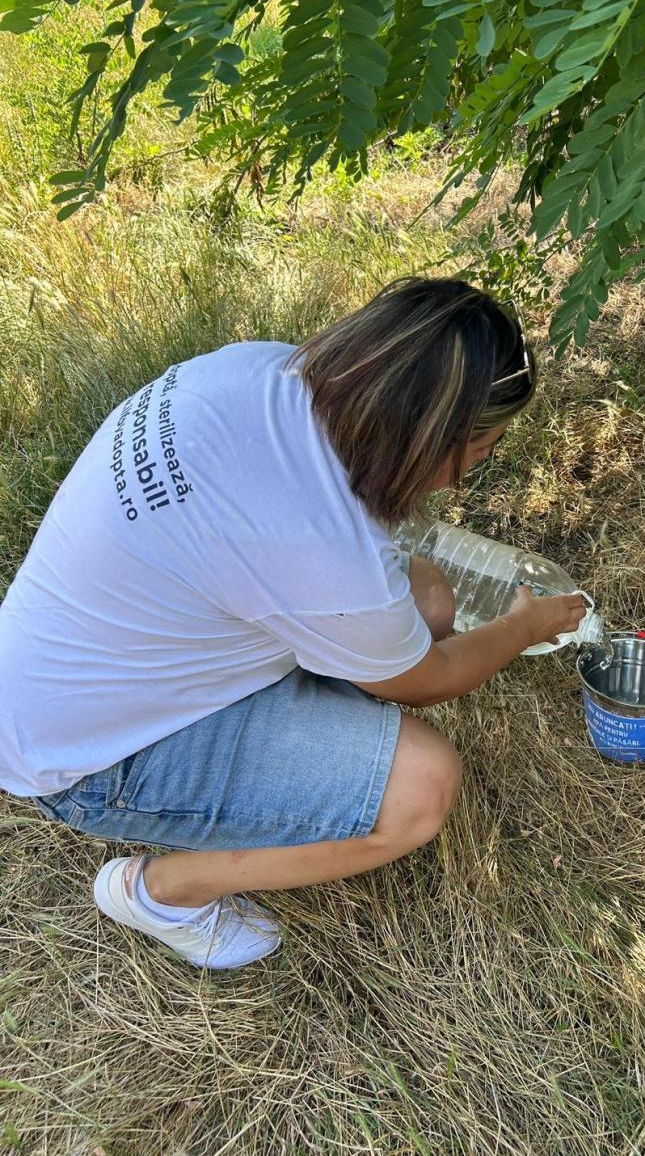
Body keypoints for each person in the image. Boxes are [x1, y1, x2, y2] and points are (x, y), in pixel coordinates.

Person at [0, 276, 586, 969]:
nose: (479, 467)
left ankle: (310, 749)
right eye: (483, 446)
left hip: (64, 674)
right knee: (421, 787)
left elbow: (376, 578)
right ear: (433, 436)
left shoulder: (263, 368)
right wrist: (521, 625)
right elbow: (431, 677)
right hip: (88, 759)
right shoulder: (325, 544)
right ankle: (160, 892)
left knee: (426, 596)